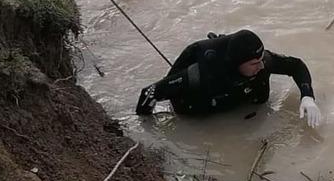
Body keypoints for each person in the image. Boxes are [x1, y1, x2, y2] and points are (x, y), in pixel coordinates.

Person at [135, 29, 323, 127]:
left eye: (261, 59)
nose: (262, 65)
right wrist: (148, 130)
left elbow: (296, 65)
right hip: (202, 109)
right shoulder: (200, 74)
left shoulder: (261, 60)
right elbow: (150, 92)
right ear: (237, 63)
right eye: (254, 63)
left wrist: (307, 96)